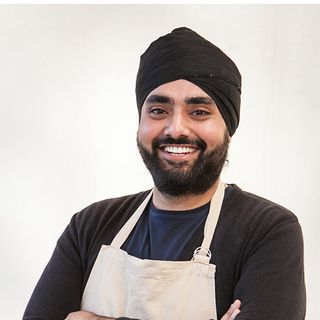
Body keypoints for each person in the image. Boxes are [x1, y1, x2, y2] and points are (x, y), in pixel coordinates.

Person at [23, 27, 306, 320]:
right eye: (158, 110)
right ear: (140, 122)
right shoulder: (90, 226)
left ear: (228, 128)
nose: (176, 129)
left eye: (199, 112)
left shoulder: (268, 230)